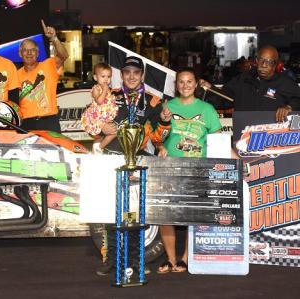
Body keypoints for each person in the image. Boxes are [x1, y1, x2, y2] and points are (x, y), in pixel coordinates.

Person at [95, 56, 172, 276]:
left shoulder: (152, 101)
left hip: (136, 159)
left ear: (142, 75)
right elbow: (93, 124)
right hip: (111, 157)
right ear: (121, 75)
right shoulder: (109, 96)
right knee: (110, 211)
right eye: (127, 72)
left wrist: (165, 122)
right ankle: (111, 260)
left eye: (136, 73)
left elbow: (160, 136)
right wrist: (100, 126)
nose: (131, 76)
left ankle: (136, 261)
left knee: (134, 213)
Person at [156, 68, 222, 274]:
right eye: (181, 82)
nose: (185, 85)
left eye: (189, 81)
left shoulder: (207, 109)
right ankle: (170, 258)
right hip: (170, 166)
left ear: (196, 84)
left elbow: (217, 140)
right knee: (165, 215)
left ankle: (184, 258)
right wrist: (160, 146)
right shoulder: (166, 107)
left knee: (191, 215)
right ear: (176, 85)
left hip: (197, 168)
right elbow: (156, 136)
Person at [200, 45, 300, 122]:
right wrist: (210, 89)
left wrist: (289, 107)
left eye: (269, 62)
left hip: (272, 137)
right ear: (256, 61)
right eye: (261, 60)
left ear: (275, 64)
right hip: (244, 133)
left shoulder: (284, 82)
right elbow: (223, 98)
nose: (264, 65)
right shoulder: (242, 79)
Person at [17, 20, 68, 132]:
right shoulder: (15, 75)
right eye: (25, 50)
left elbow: (63, 55)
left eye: (32, 50)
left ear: (38, 53)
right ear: (20, 54)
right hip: (26, 123)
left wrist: (54, 38)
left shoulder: (49, 65)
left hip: (49, 122)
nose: (29, 53)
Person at [81, 62, 118, 152]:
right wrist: (105, 90)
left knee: (112, 133)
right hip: (97, 117)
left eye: (108, 77)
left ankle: (97, 147)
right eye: (103, 76)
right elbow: (99, 101)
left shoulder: (108, 89)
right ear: (95, 77)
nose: (106, 79)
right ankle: (99, 147)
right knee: (112, 133)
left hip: (105, 116)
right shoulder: (96, 88)